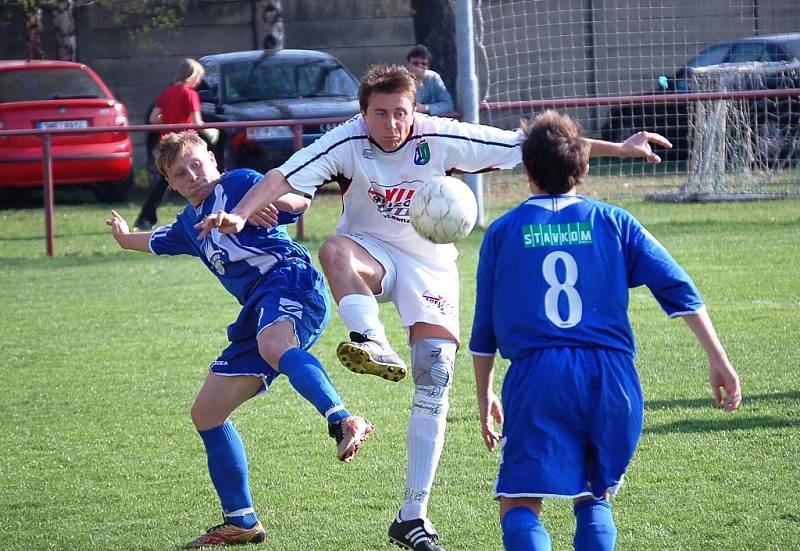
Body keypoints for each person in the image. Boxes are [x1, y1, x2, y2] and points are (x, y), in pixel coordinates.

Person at [194, 64, 673, 551]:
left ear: (414, 110)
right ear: (364, 114)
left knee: (435, 375)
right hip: (371, 253)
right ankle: (371, 340)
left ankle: (413, 515)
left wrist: (621, 148)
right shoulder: (345, 140)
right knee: (333, 250)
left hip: (430, 265)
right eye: (380, 114)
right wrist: (239, 213)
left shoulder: (439, 135)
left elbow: (531, 143)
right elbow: (280, 176)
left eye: (400, 113)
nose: (392, 124)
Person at [469, 110, 742, 551]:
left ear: (526, 170)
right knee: (595, 495)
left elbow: (484, 331)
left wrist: (484, 396)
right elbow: (680, 287)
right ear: (586, 167)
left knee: (520, 499)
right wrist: (719, 358)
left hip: (540, 375)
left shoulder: (502, 233)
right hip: (611, 377)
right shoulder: (615, 222)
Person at [107, 131, 373, 548]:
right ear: (171, 184)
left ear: (212, 159)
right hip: (256, 312)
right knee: (207, 413)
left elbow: (297, 201)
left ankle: (343, 419)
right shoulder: (187, 226)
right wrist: (124, 239)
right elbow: (154, 241)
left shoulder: (238, 184)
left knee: (274, 344)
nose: (193, 175)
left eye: (197, 163)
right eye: (180, 173)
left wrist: (271, 205)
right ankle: (241, 520)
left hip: (291, 282)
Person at [134, 58, 219, 230]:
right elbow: (197, 123)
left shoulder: (166, 93)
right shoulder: (190, 94)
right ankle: (211, 211)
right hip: (187, 146)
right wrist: (211, 132)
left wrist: (170, 122)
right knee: (206, 176)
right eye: (199, 77)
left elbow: (153, 119)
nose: (198, 82)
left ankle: (146, 218)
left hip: (167, 146)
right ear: (193, 76)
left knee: (164, 183)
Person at [405, 44, 454, 116]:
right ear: (408, 64)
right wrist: (416, 82)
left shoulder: (433, 78)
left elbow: (448, 105)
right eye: (415, 63)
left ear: (427, 66)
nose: (419, 66)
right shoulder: (400, 78)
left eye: (423, 64)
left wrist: (426, 108)